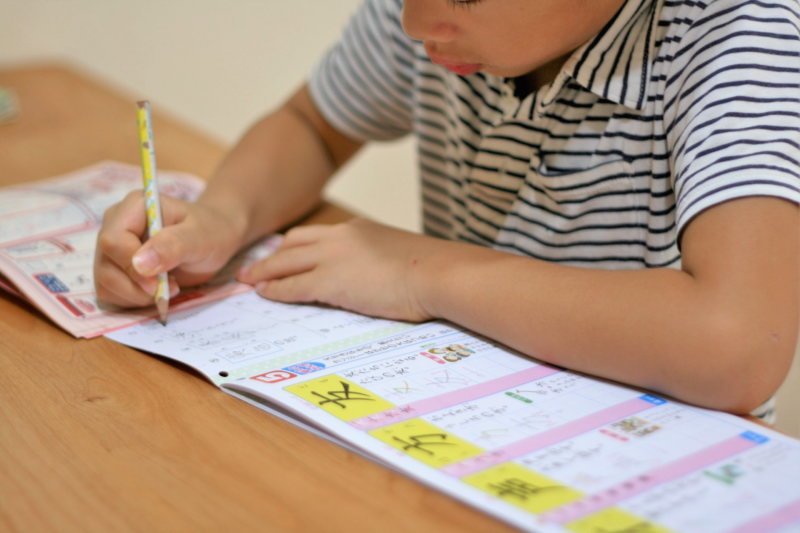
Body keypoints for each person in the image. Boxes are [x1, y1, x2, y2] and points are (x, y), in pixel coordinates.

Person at [95, 0, 799, 421]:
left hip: (660, 470)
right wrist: (223, 215)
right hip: (469, 427)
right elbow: (315, 124)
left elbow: (736, 342)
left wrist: (424, 274)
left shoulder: (740, 31)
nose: (412, 23)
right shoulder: (443, 26)